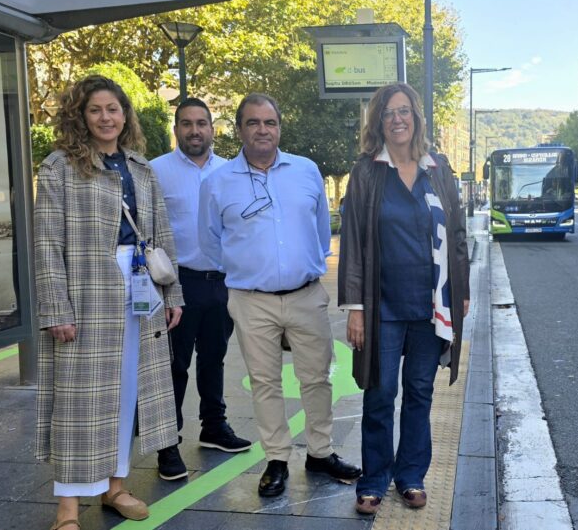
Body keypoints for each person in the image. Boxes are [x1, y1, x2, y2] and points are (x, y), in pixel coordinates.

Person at [34, 75, 183, 530]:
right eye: (95, 110)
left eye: (113, 109)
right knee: (81, 404)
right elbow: (46, 244)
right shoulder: (59, 167)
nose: (106, 118)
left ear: (125, 115)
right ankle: (68, 510)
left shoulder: (141, 168)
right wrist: (56, 308)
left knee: (126, 393)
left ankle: (115, 487)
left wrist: (172, 292)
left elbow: (161, 235)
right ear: (80, 116)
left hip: (140, 288)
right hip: (86, 291)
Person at [198, 93, 361, 498]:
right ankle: (276, 459)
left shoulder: (306, 171)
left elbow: (322, 232)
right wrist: (250, 270)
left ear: (279, 128)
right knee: (265, 382)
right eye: (252, 123)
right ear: (238, 130)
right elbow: (210, 242)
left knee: (317, 378)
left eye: (269, 122)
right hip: (251, 299)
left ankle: (320, 453)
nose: (262, 130)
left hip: (306, 295)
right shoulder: (217, 182)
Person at [338, 83, 471, 516]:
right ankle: (374, 480)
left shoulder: (439, 168)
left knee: (419, 392)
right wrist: (355, 307)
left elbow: (456, 233)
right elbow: (355, 241)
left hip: (431, 303)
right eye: (389, 113)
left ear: (416, 116)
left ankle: (410, 475)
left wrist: (462, 292)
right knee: (379, 392)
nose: (397, 119)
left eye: (404, 111)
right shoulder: (367, 171)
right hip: (382, 305)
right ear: (378, 122)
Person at [150, 97, 251, 482]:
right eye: (187, 123)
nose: (195, 130)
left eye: (202, 123)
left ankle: (214, 428)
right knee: (173, 365)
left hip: (221, 283)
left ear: (213, 129)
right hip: (177, 284)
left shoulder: (230, 173)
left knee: (214, 358)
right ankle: (167, 441)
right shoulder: (155, 171)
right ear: (176, 129)